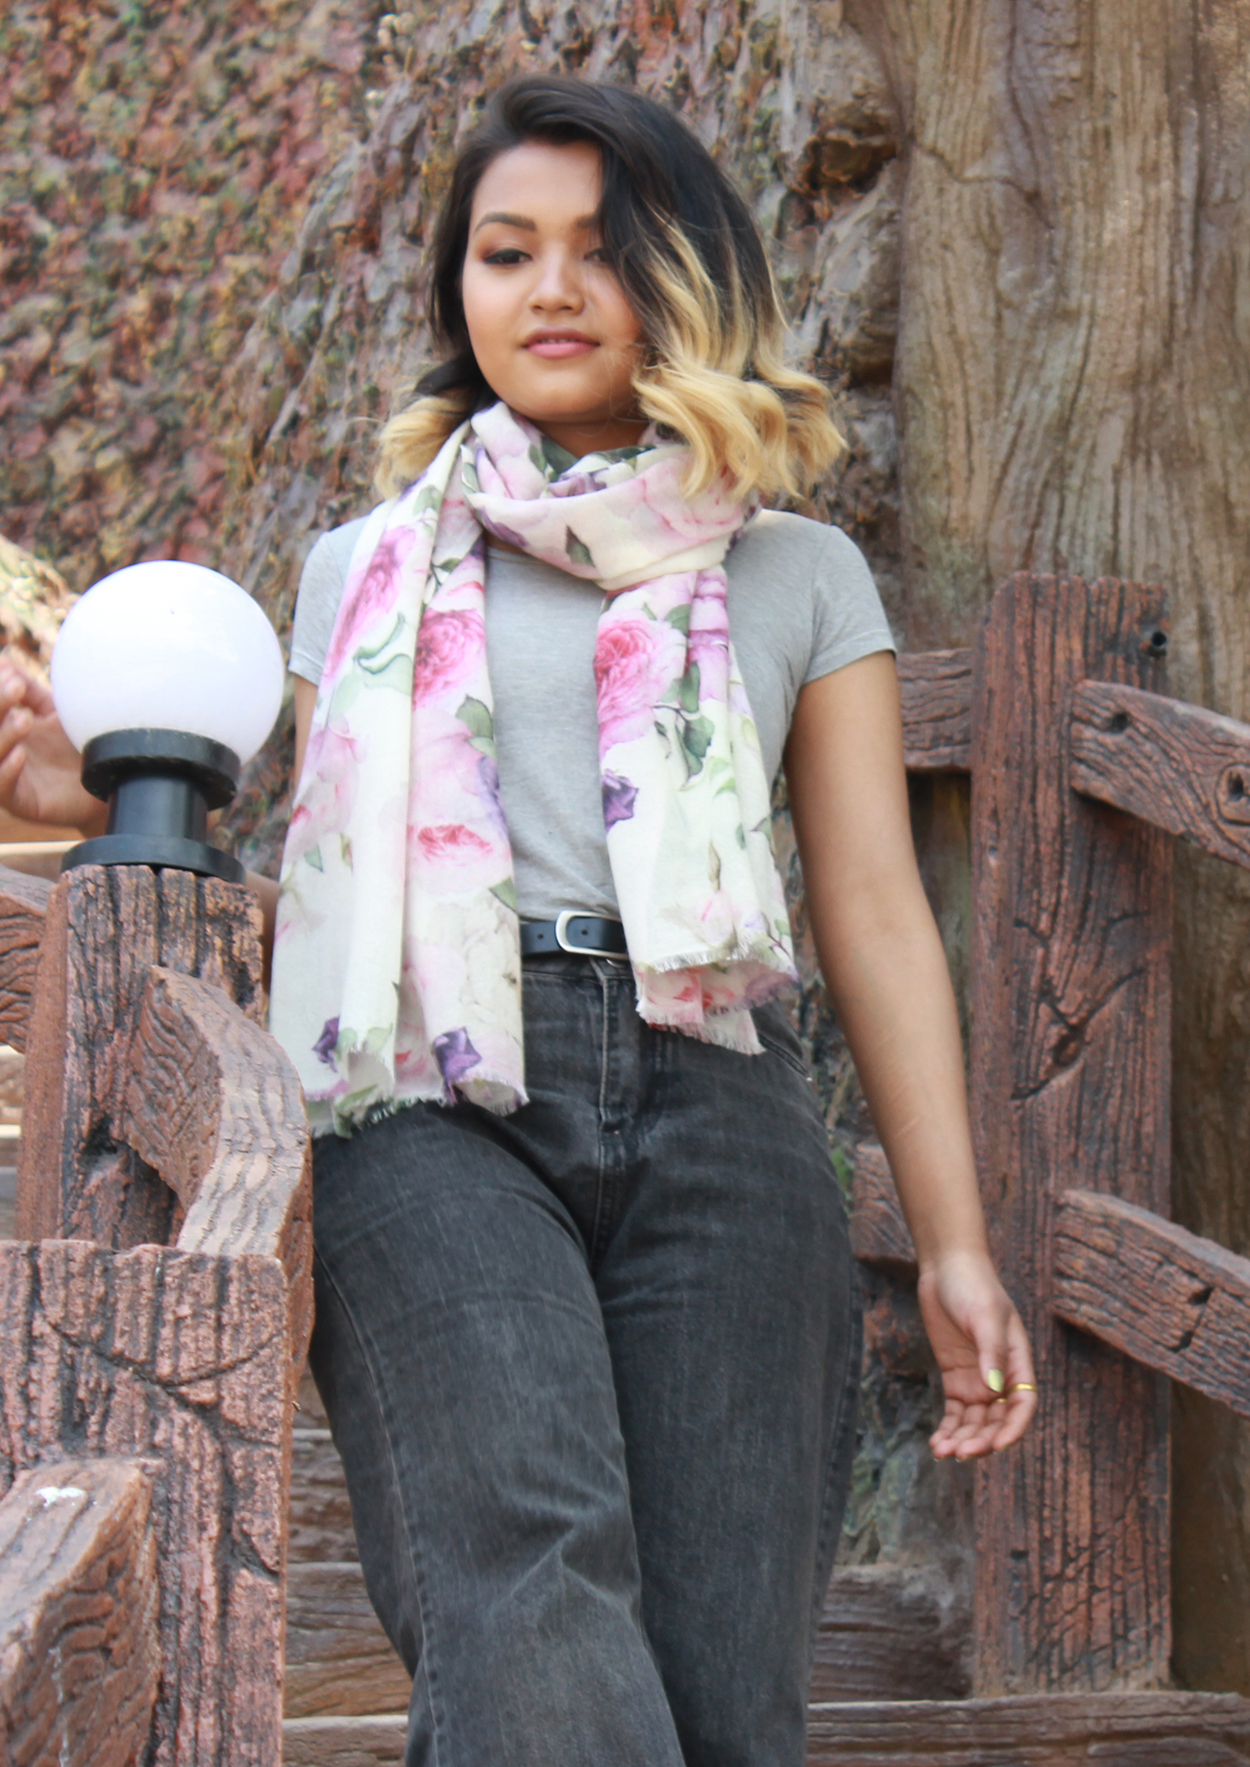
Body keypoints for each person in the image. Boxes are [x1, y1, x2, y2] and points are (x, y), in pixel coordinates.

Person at [0, 76, 1037, 1767]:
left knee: (720, 1682)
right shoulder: (362, 568)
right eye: (505, 252)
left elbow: (869, 912)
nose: (549, 289)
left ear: (680, 278)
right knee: (528, 1582)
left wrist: (954, 1241)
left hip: (720, 1100)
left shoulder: (792, 572)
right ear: (457, 289)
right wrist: (94, 795)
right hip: (424, 1095)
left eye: (598, 249)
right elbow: (317, 876)